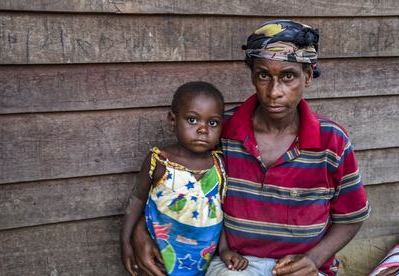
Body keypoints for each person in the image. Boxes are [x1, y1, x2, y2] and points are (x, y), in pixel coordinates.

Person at [130, 19, 371, 276]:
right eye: (264, 75)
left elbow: (351, 217)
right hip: (235, 264)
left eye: (288, 76)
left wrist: (313, 259)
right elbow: (172, 185)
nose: (274, 91)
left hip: (303, 267)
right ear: (253, 76)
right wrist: (141, 230)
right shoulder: (221, 132)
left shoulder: (332, 142)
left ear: (308, 76)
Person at [120, 81, 248, 276]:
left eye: (212, 123)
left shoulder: (220, 165)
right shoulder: (160, 161)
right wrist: (126, 241)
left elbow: (219, 212)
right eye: (192, 120)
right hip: (159, 259)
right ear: (173, 120)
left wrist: (224, 250)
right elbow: (137, 199)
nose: (203, 129)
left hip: (201, 263)